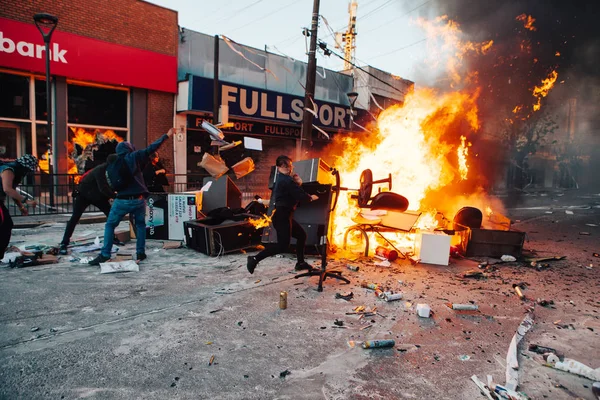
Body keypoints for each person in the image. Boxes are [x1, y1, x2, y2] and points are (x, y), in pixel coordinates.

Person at [89, 128, 175, 266]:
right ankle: (140, 252)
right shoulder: (134, 157)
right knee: (140, 225)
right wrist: (167, 135)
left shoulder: (113, 163)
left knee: (110, 225)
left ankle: (105, 254)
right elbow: (152, 148)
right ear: (130, 148)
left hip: (121, 200)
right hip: (139, 199)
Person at [246, 155, 318, 274]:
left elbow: (292, 192)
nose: (289, 169)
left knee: (301, 235)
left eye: (289, 166)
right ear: (279, 167)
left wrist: (298, 184)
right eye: (285, 166)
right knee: (282, 246)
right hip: (282, 216)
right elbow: (300, 195)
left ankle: (300, 263)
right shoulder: (286, 180)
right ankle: (254, 259)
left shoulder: (284, 179)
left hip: (285, 216)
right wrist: (311, 197)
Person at [58, 154, 118, 255]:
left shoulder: (112, 170)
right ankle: (64, 243)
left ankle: (113, 238)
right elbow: (103, 187)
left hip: (98, 196)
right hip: (84, 195)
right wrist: (115, 196)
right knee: (75, 218)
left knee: (111, 215)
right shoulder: (100, 170)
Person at [0, 155, 39, 260]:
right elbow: (7, 189)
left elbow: (12, 191)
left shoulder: (14, 171)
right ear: (23, 167)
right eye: (27, 170)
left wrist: (21, 207)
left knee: (6, 225)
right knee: (5, 225)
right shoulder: (8, 170)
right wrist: (26, 201)